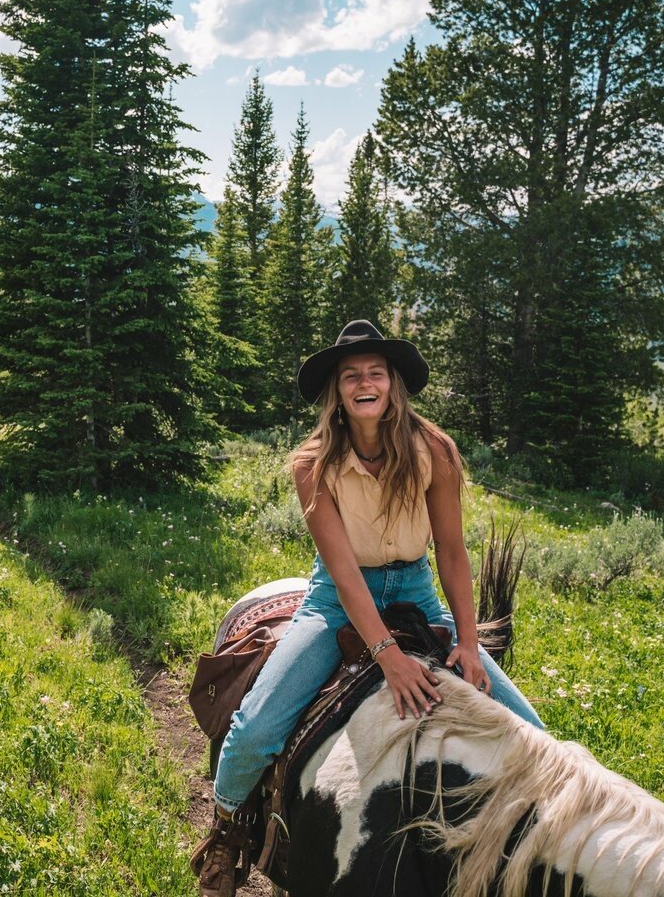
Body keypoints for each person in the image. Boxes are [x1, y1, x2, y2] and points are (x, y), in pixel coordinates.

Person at [191, 320, 546, 897]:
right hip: (336, 599)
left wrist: (465, 641)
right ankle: (227, 829)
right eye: (351, 375)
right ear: (338, 390)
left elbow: (453, 553)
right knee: (254, 726)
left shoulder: (433, 450)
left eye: (375, 372)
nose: (364, 382)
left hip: (417, 589)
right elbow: (343, 572)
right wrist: (389, 655)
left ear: (392, 383)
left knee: (534, 734)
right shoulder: (313, 465)